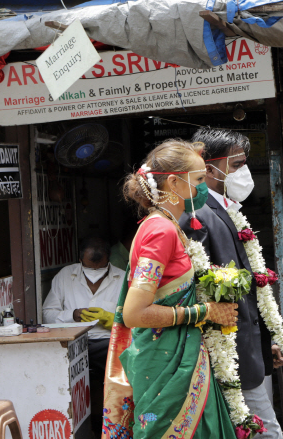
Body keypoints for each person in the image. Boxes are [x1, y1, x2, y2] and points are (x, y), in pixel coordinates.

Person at [102, 139, 238, 439]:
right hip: (165, 366)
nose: (205, 187)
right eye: (200, 180)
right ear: (175, 183)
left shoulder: (167, 225)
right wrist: (205, 311)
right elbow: (135, 313)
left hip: (178, 358)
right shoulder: (159, 230)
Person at [179, 127, 283, 439]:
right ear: (209, 169)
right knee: (268, 434)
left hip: (248, 353)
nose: (245, 172)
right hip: (227, 355)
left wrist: (269, 340)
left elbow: (249, 291)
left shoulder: (226, 210)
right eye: (237, 165)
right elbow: (203, 291)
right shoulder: (196, 217)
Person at [42, 237, 125, 434]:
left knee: (120, 374)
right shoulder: (65, 276)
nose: (94, 272)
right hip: (75, 341)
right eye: (90, 266)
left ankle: (113, 427)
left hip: (109, 342)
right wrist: (72, 315)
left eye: (99, 267)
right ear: (80, 259)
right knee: (66, 379)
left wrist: (114, 319)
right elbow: (48, 314)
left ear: (109, 259)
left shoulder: (123, 278)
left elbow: (134, 316)